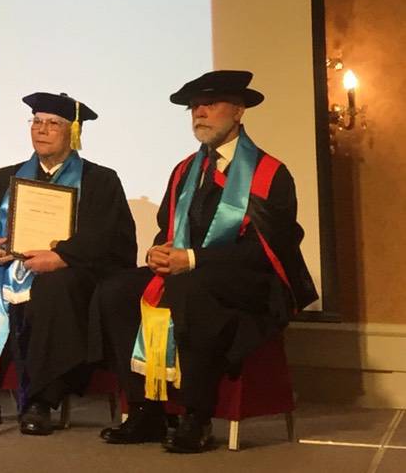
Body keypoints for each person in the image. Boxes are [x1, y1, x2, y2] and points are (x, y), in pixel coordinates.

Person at [91, 70, 317, 453]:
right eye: (195, 107)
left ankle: (196, 416)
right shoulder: (185, 170)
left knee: (190, 290)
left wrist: (194, 259)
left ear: (238, 111)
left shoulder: (269, 173)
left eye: (210, 105)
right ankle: (145, 410)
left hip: (249, 282)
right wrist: (157, 252)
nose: (199, 113)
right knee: (116, 290)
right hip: (188, 273)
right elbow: (167, 229)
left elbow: (266, 250)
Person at [0, 92, 135, 434]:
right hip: (7, 264)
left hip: (67, 269)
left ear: (73, 132)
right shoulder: (3, 178)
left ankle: (40, 400)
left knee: (54, 288)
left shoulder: (100, 180)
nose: (41, 130)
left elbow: (109, 238)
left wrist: (63, 257)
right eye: (36, 122)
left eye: (53, 124)